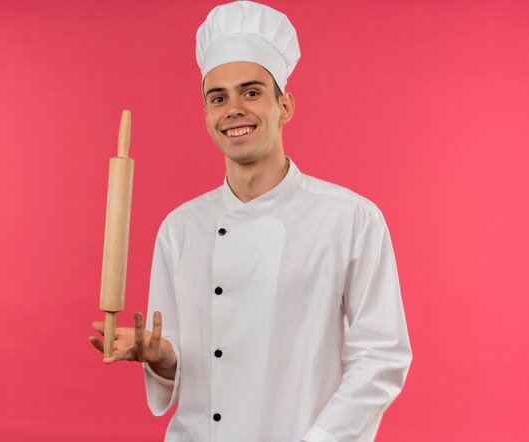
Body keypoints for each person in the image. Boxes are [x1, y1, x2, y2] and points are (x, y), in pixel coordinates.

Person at [89, 1, 412, 441]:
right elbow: (186, 364)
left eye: (252, 92)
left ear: (286, 105)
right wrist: (162, 360)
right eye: (218, 98)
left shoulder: (351, 220)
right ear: (206, 116)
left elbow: (381, 356)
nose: (234, 109)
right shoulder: (179, 229)